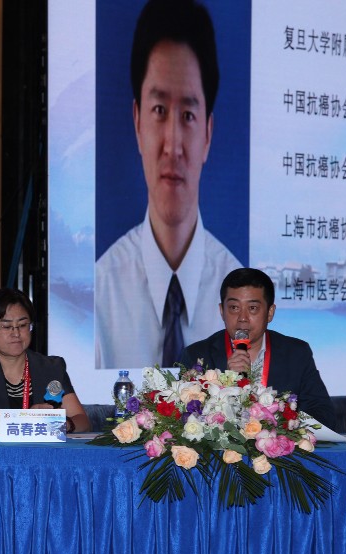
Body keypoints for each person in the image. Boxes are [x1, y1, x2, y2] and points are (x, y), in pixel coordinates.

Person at [95, 0, 241, 369]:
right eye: (159, 111)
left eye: (188, 115)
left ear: (207, 134)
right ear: (137, 122)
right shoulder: (97, 295)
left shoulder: (242, 298)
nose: (173, 145)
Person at [178, 268, 336, 429]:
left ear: (270, 313)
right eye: (234, 307)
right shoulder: (196, 355)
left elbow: (323, 414)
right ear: (222, 311)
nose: (242, 318)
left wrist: (280, 428)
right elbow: (181, 418)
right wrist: (226, 383)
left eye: (252, 308)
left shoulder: (296, 353)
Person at [0, 288, 90, 434]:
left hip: (42, 447)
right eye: (6, 326)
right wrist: (30, 419)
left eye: (22, 325)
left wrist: (62, 425)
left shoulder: (51, 367)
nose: (16, 333)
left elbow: (82, 420)